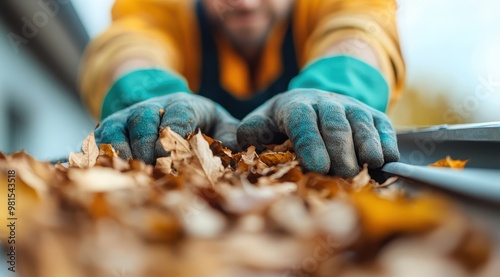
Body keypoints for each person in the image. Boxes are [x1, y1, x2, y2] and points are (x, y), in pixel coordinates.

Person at [79, 0, 405, 177]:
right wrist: (150, 98)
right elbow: (129, 41)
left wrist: (335, 88)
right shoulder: (164, 7)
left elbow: (363, 30)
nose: (246, 4)